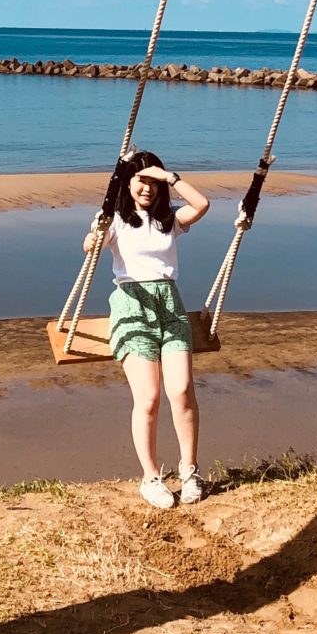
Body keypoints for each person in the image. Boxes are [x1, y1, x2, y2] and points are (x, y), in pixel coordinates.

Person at [86, 150, 211, 508]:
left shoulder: (168, 220)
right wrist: (93, 240)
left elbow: (201, 204)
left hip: (170, 305)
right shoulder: (114, 220)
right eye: (141, 179)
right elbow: (89, 244)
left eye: (153, 182)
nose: (148, 188)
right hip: (131, 304)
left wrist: (169, 175)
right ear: (127, 182)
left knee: (183, 390)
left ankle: (189, 470)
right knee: (149, 398)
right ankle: (151, 477)